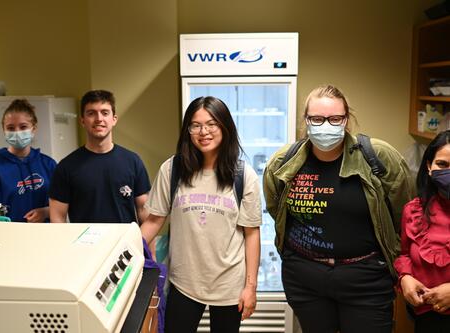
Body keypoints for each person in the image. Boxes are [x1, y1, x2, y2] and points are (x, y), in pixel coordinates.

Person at [263, 85, 415, 333]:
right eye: (317, 119)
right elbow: (276, 209)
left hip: (366, 278)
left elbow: (406, 216)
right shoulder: (283, 161)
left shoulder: (379, 156)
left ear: (347, 119)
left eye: (335, 119)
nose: (326, 125)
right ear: (306, 121)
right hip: (305, 278)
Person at [140, 96, 262, 333]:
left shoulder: (243, 176)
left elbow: (251, 234)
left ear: (225, 127)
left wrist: (251, 287)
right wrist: (120, 252)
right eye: (195, 125)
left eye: (211, 123)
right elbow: (154, 220)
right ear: (188, 130)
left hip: (229, 285)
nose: (203, 131)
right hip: (184, 283)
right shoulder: (173, 169)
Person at [49, 90, 150, 223]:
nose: (99, 119)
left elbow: (144, 211)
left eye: (105, 113)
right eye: (91, 113)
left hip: (124, 243)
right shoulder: (66, 167)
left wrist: (147, 244)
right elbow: (57, 217)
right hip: (84, 243)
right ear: (82, 121)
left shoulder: (133, 162)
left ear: (114, 119)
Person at [394, 129, 450, 332]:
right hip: (425, 317)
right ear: (429, 166)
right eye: (442, 165)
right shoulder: (414, 210)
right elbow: (405, 254)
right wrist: (405, 277)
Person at [0, 99, 56, 222]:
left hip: (45, 235)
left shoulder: (48, 165)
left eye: (23, 127)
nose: (17, 132)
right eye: (11, 128)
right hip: (6, 237)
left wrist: (45, 212)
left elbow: (64, 203)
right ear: (4, 130)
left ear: (33, 128)